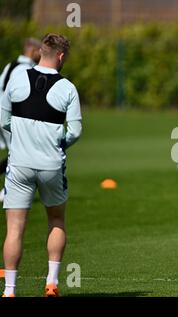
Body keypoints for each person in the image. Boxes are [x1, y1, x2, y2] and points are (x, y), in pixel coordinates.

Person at [1, 33, 82, 297]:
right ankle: (52, 283)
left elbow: (3, 120)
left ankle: (10, 290)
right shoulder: (68, 88)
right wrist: (59, 144)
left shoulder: (16, 78)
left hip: (19, 164)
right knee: (56, 219)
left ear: (40, 53)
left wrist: (21, 139)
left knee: (14, 228)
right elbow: (76, 131)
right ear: (60, 56)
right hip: (50, 166)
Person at [0, 38, 41, 202]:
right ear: (33, 50)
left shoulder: (11, 65)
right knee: (18, 154)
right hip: (9, 115)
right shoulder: (25, 69)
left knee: (14, 153)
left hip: (3, 112)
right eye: (40, 50)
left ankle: (9, 190)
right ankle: (7, 192)